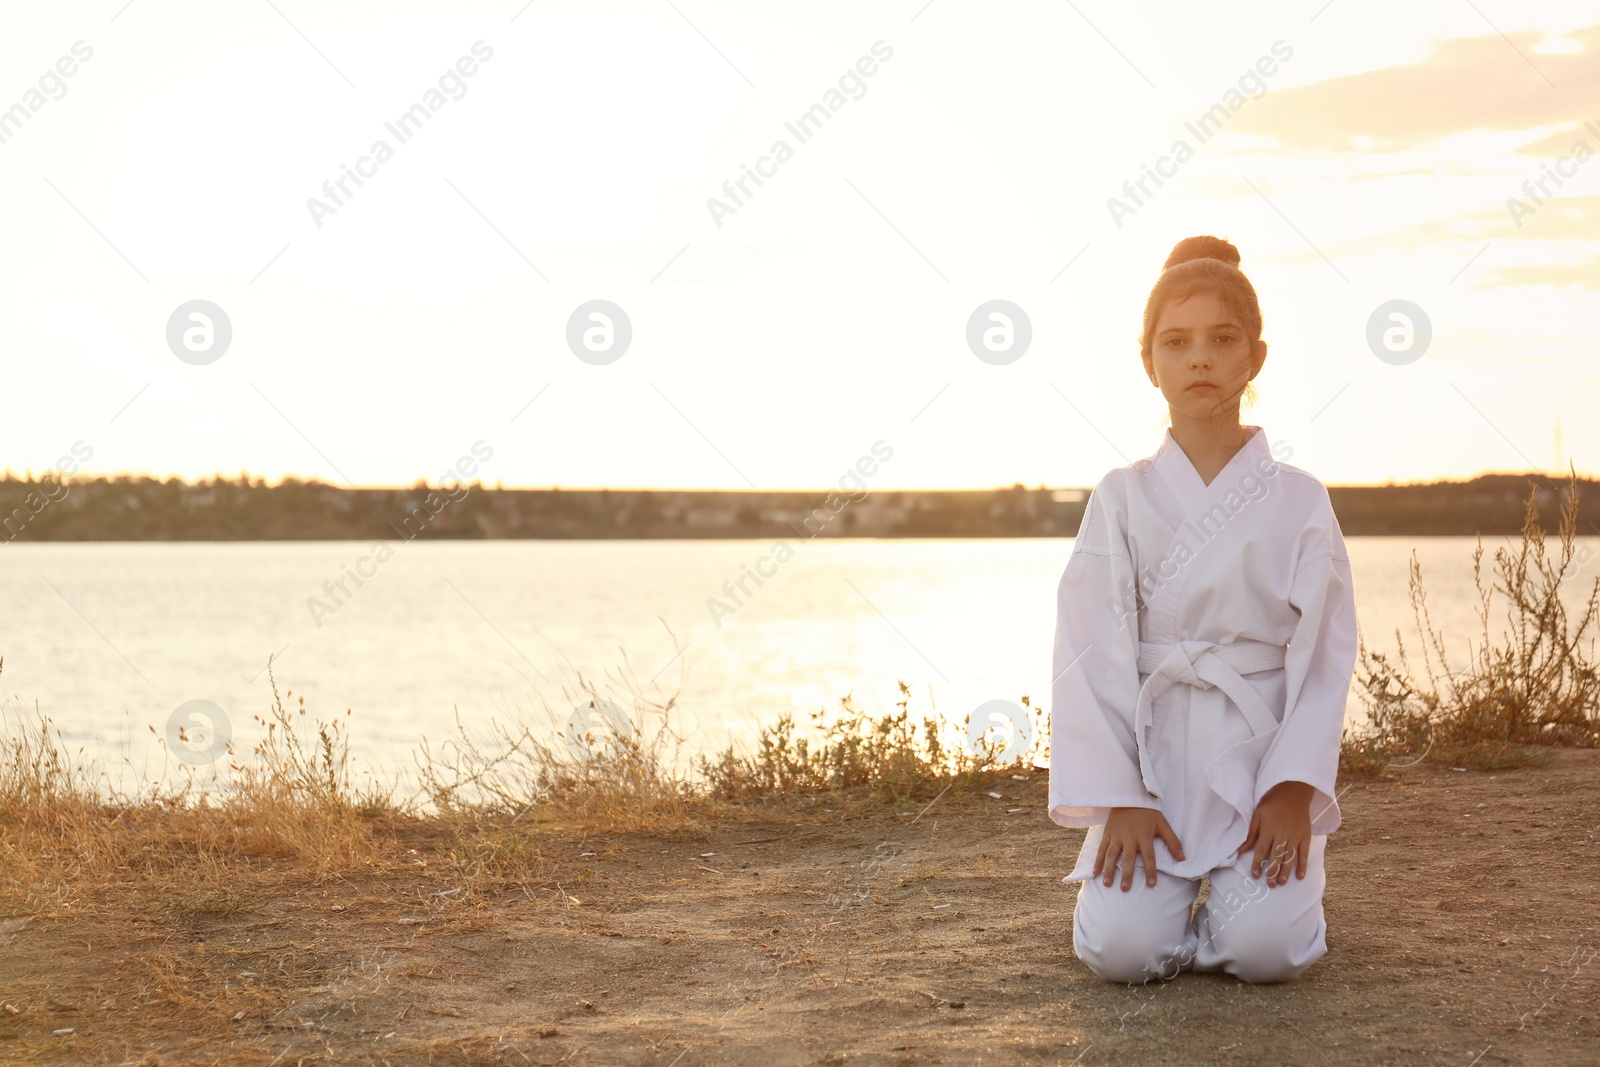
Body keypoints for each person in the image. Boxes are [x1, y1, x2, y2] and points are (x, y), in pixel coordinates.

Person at [1047, 234, 1358, 985]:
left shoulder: (1299, 499)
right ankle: (1159, 901)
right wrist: (1118, 797)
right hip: (1151, 763)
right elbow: (1088, 648)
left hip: (1258, 756)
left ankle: (1252, 903)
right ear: (1147, 360)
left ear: (1255, 355)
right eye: (1176, 342)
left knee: (1267, 952)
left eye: (1222, 340)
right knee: (1122, 952)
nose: (1199, 359)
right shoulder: (1121, 496)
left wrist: (1291, 792)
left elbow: (1322, 657)